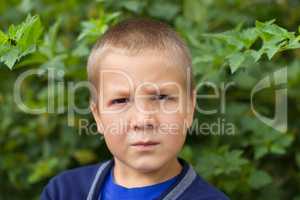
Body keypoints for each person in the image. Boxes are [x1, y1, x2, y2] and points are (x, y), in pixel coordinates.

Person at [41, 18, 230, 200]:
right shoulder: (64, 191)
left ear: (189, 108)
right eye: (121, 100)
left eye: (162, 97)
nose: (143, 120)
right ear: (97, 116)